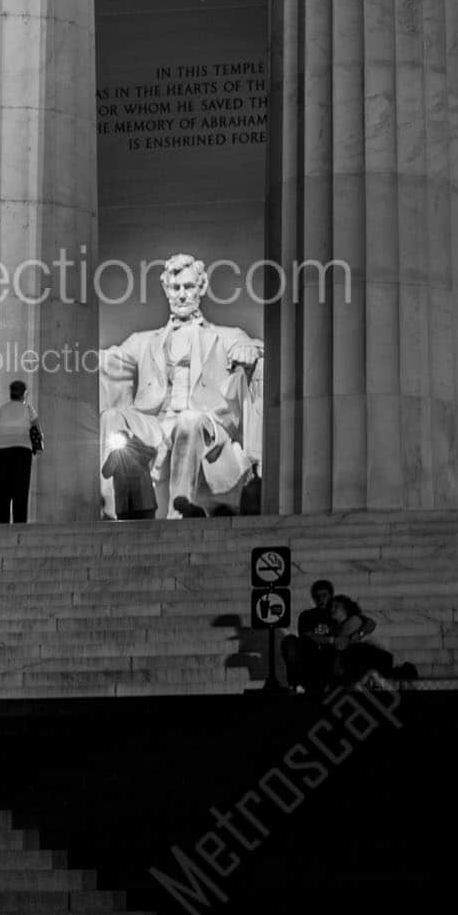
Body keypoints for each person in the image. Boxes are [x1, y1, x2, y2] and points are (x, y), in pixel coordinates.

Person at [100, 253, 261, 516]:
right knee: (113, 417)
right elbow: (109, 359)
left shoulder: (225, 335)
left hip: (204, 421)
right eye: (175, 288)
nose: (182, 295)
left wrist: (248, 349)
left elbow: (254, 347)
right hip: (157, 421)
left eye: (188, 287)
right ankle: (114, 508)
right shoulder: (144, 340)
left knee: (189, 420)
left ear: (201, 288)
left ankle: (180, 509)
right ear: (167, 290)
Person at [327, 594, 416, 685]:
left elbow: (340, 644)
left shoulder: (353, 620)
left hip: (375, 657)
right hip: (370, 659)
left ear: (346, 609)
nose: (332, 609)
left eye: (336, 607)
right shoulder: (339, 626)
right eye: (331, 607)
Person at [0, 381, 38, 524]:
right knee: (20, 491)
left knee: (1, 493)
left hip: (0, 451)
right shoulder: (29, 409)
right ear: (24, 393)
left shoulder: (0, 411)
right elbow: (38, 430)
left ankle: (1, 525)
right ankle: (19, 525)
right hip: (22, 451)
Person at [281, 580, 339, 692]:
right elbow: (306, 635)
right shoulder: (306, 615)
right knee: (289, 640)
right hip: (309, 657)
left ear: (331, 596)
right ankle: (296, 684)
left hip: (329, 657)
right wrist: (328, 639)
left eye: (324, 595)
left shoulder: (337, 615)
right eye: (317, 596)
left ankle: (334, 684)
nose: (321, 599)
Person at [101, 432, 158, 520]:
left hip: (144, 504)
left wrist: (136, 443)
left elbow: (152, 452)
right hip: (125, 506)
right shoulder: (116, 455)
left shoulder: (140, 452)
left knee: (147, 531)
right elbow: (106, 473)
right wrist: (113, 454)